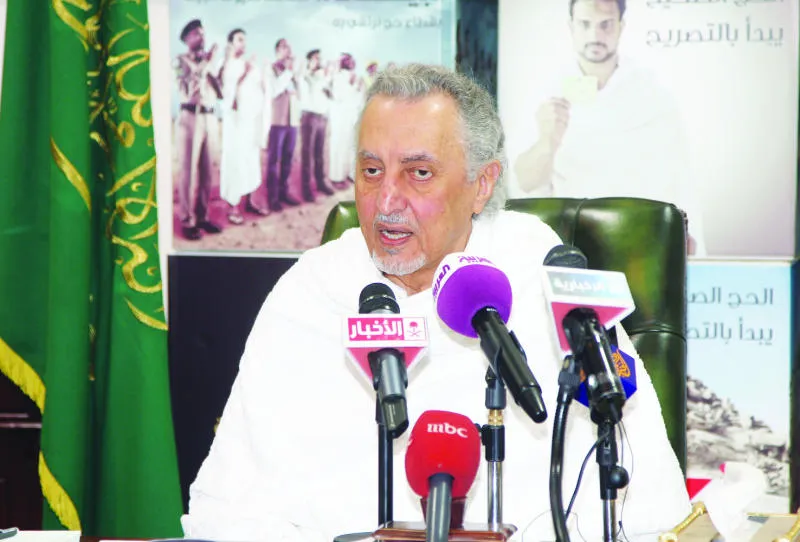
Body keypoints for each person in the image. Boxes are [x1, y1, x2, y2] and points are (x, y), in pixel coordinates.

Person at [181, 64, 691, 542]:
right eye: (371, 170)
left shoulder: (539, 274)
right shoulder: (312, 289)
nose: (386, 201)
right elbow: (232, 503)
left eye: (418, 173)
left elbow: (639, 490)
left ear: (482, 184)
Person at [512, 0, 706, 256]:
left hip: (639, 240)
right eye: (585, 24)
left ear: (621, 26)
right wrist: (548, 142)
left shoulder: (651, 92)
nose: (595, 35)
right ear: (571, 26)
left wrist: (685, 243)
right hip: (571, 242)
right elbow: (524, 183)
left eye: (605, 24)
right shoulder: (546, 93)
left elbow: (679, 178)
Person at [174, 19, 223, 240]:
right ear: (186, 39)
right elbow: (186, 91)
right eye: (196, 33)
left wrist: (214, 67)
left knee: (207, 171)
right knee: (188, 172)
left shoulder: (208, 61)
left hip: (210, 117)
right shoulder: (179, 61)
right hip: (190, 117)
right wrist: (204, 65)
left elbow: (220, 93)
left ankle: (202, 216)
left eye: (202, 33)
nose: (201, 36)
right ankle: (187, 220)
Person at [219, 29, 270, 224]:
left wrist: (260, 75)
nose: (243, 43)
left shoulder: (248, 65)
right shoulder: (226, 64)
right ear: (231, 43)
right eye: (239, 40)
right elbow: (227, 99)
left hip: (250, 124)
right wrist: (245, 73)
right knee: (235, 163)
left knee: (250, 163)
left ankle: (250, 202)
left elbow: (261, 89)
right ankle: (233, 207)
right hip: (235, 126)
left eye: (244, 40)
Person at [264, 38, 301, 212]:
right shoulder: (271, 69)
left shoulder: (291, 72)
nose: (289, 50)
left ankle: (284, 192)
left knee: (288, 158)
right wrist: (289, 71)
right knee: (273, 160)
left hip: (292, 121)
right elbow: (274, 90)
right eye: (285, 47)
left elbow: (298, 94)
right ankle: (272, 197)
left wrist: (296, 76)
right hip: (277, 121)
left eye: (290, 47)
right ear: (277, 50)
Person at [298, 49, 335, 203]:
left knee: (319, 153)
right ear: (309, 60)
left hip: (321, 117)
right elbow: (310, 89)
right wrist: (321, 75)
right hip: (309, 117)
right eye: (315, 58)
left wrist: (328, 84)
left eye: (320, 58)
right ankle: (306, 189)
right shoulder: (304, 76)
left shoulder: (322, 78)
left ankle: (321, 182)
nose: (319, 61)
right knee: (307, 155)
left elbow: (331, 95)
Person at [328, 53, 364, 191]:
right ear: (343, 62)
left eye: (351, 59)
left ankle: (348, 175)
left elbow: (358, 100)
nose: (351, 62)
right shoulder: (338, 76)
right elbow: (338, 96)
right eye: (347, 60)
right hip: (340, 118)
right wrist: (353, 85)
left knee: (350, 146)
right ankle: (336, 178)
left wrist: (358, 88)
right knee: (338, 147)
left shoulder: (356, 77)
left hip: (352, 117)